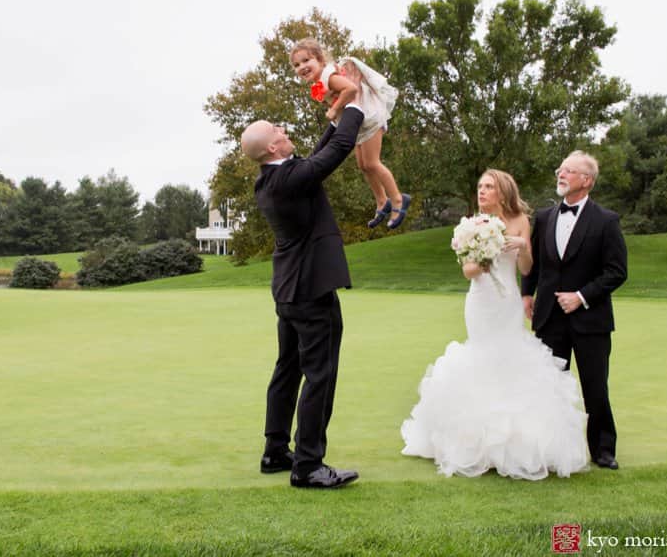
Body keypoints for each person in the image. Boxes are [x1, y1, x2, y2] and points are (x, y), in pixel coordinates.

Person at [400, 169, 590, 479]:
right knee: (481, 356)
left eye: (489, 187)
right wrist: (486, 249)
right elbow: (469, 272)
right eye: (480, 187)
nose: (482, 191)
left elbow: (526, 267)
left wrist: (522, 245)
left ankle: (515, 444)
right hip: (480, 301)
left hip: (508, 303)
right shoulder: (470, 225)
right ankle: (476, 443)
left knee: (510, 356)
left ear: (502, 192)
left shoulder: (520, 221)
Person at [240, 103, 364, 489]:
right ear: (273, 149)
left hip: (289, 291)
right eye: (276, 128)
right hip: (310, 292)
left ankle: (276, 451)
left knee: (288, 370)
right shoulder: (290, 179)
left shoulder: (272, 179)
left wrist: (333, 116)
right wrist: (356, 106)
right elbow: (339, 148)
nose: (282, 128)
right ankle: (308, 464)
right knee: (319, 374)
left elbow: (316, 156)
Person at [521, 150, 628, 470]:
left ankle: (603, 450)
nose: (561, 174)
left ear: (587, 180)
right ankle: (547, 449)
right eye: (560, 169)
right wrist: (527, 294)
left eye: (569, 170)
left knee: (595, 387)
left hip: (590, 320)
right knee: (549, 386)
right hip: (549, 318)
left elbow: (617, 271)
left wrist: (581, 296)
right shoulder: (543, 217)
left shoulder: (606, 221)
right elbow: (534, 263)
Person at [290, 38, 411, 230]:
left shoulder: (329, 76)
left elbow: (351, 89)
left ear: (320, 60)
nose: (302, 67)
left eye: (306, 61)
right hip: (359, 122)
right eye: (297, 65)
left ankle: (398, 199)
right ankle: (382, 201)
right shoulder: (319, 83)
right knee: (363, 165)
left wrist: (334, 109)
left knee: (372, 162)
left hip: (369, 117)